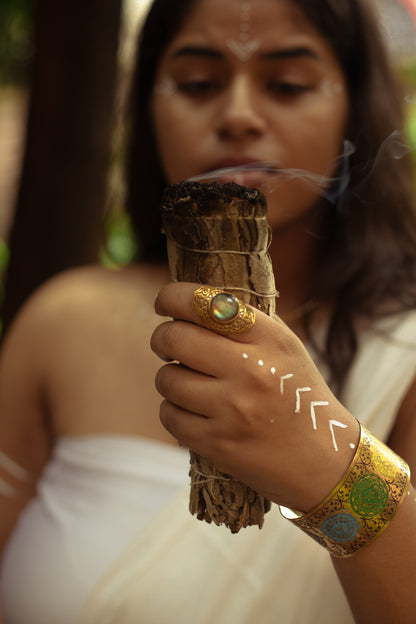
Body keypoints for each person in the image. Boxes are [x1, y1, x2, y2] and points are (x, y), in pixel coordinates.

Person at [1, 0, 416, 622]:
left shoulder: (406, 350)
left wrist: (332, 469)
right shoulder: (66, 321)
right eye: (198, 83)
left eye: (287, 85)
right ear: (147, 107)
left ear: (353, 105)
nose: (239, 115)